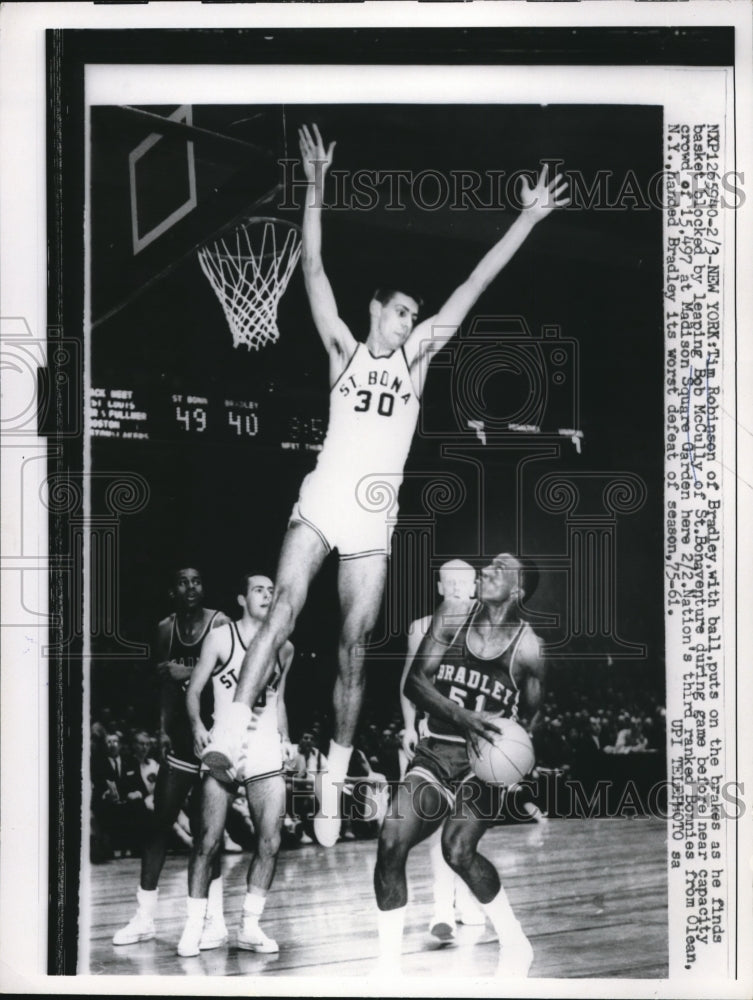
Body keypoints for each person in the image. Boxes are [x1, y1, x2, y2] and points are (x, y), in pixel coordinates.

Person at [203, 123, 569, 847]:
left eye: (412, 315)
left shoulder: (418, 359)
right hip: (322, 499)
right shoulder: (342, 345)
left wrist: (525, 216)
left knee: (353, 642)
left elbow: (473, 284)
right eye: (400, 311)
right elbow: (310, 265)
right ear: (375, 310)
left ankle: (336, 780)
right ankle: (231, 731)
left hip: (372, 516)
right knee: (282, 608)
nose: (409, 322)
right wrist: (314, 184)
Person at [374, 554, 546, 976]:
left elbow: (534, 716)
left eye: (499, 570)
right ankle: (388, 967)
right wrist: (464, 718)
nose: (486, 571)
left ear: (518, 590)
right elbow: (415, 681)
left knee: (457, 849)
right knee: (391, 841)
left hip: (483, 765)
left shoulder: (528, 648)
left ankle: (515, 940)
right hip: (436, 750)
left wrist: (512, 765)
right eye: (487, 565)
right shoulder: (453, 614)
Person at [176, 574, 294, 957]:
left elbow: (278, 701)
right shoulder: (221, 637)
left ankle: (250, 926)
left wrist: (286, 740)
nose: (267, 594)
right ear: (242, 598)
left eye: (272, 591)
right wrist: (196, 725)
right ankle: (197, 925)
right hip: (224, 745)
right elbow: (194, 690)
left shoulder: (284, 647)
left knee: (270, 841)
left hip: (263, 748)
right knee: (207, 841)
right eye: (259, 589)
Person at [113, 567, 230, 947]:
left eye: (197, 580)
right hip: (182, 739)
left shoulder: (221, 622)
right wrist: (163, 728)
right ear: (172, 590)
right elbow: (166, 684)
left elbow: (232, 672)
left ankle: (215, 919)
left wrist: (189, 668)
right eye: (182, 581)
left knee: (207, 833)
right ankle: (145, 917)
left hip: (216, 735)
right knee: (158, 825)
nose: (191, 586)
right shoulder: (166, 628)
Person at [399, 559, 486, 940]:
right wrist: (407, 726)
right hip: (433, 736)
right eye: (448, 582)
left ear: (475, 587)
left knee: (465, 826)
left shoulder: (488, 630)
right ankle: (442, 909)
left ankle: (464, 898)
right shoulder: (422, 626)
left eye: (462, 583)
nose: (454, 588)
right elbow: (409, 679)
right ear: (439, 586)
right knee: (435, 826)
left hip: (474, 740)